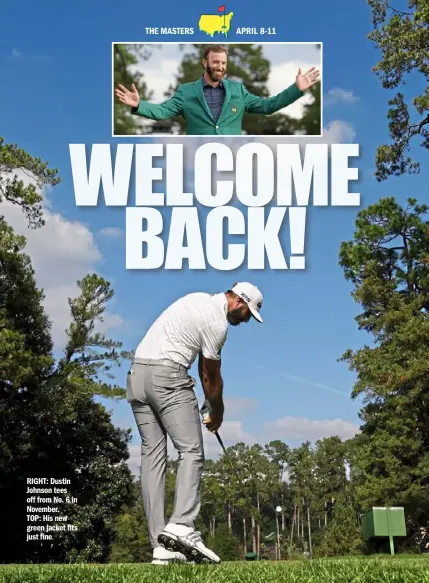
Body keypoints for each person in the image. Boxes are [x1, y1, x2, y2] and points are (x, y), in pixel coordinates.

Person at [126, 282, 263, 565]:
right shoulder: (218, 323)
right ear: (239, 302)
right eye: (248, 313)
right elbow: (211, 376)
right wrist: (218, 412)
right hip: (168, 378)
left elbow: (202, 370)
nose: (247, 319)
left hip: (137, 376)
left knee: (152, 456)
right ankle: (182, 525)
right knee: (191, 451)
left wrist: (206, 402)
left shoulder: (196, 299)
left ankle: (160, 545)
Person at [115, 44, 320, 135]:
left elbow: (268, 106)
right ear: (205, 62)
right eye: (215, 63)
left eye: (223, 63)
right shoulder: (186, 92)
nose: (220, 67)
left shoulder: (238, 91)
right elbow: (162, 111)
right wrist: (139, 105)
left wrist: (296, 89)